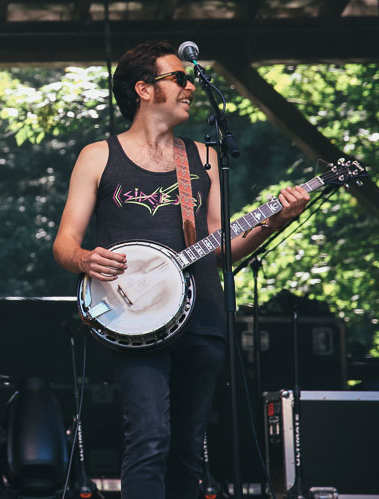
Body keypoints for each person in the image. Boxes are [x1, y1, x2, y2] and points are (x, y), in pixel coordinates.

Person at [52, 40, 309, 499]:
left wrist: (274, 221)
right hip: (134, 319)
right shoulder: (98, 155)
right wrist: (86, 259)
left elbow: (222, 248)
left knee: (189, 452)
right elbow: (64, 244)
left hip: (203, 316)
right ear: (144, 89)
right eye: (179, 78)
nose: (191, 86)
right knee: (149, 438)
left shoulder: (203, 158)